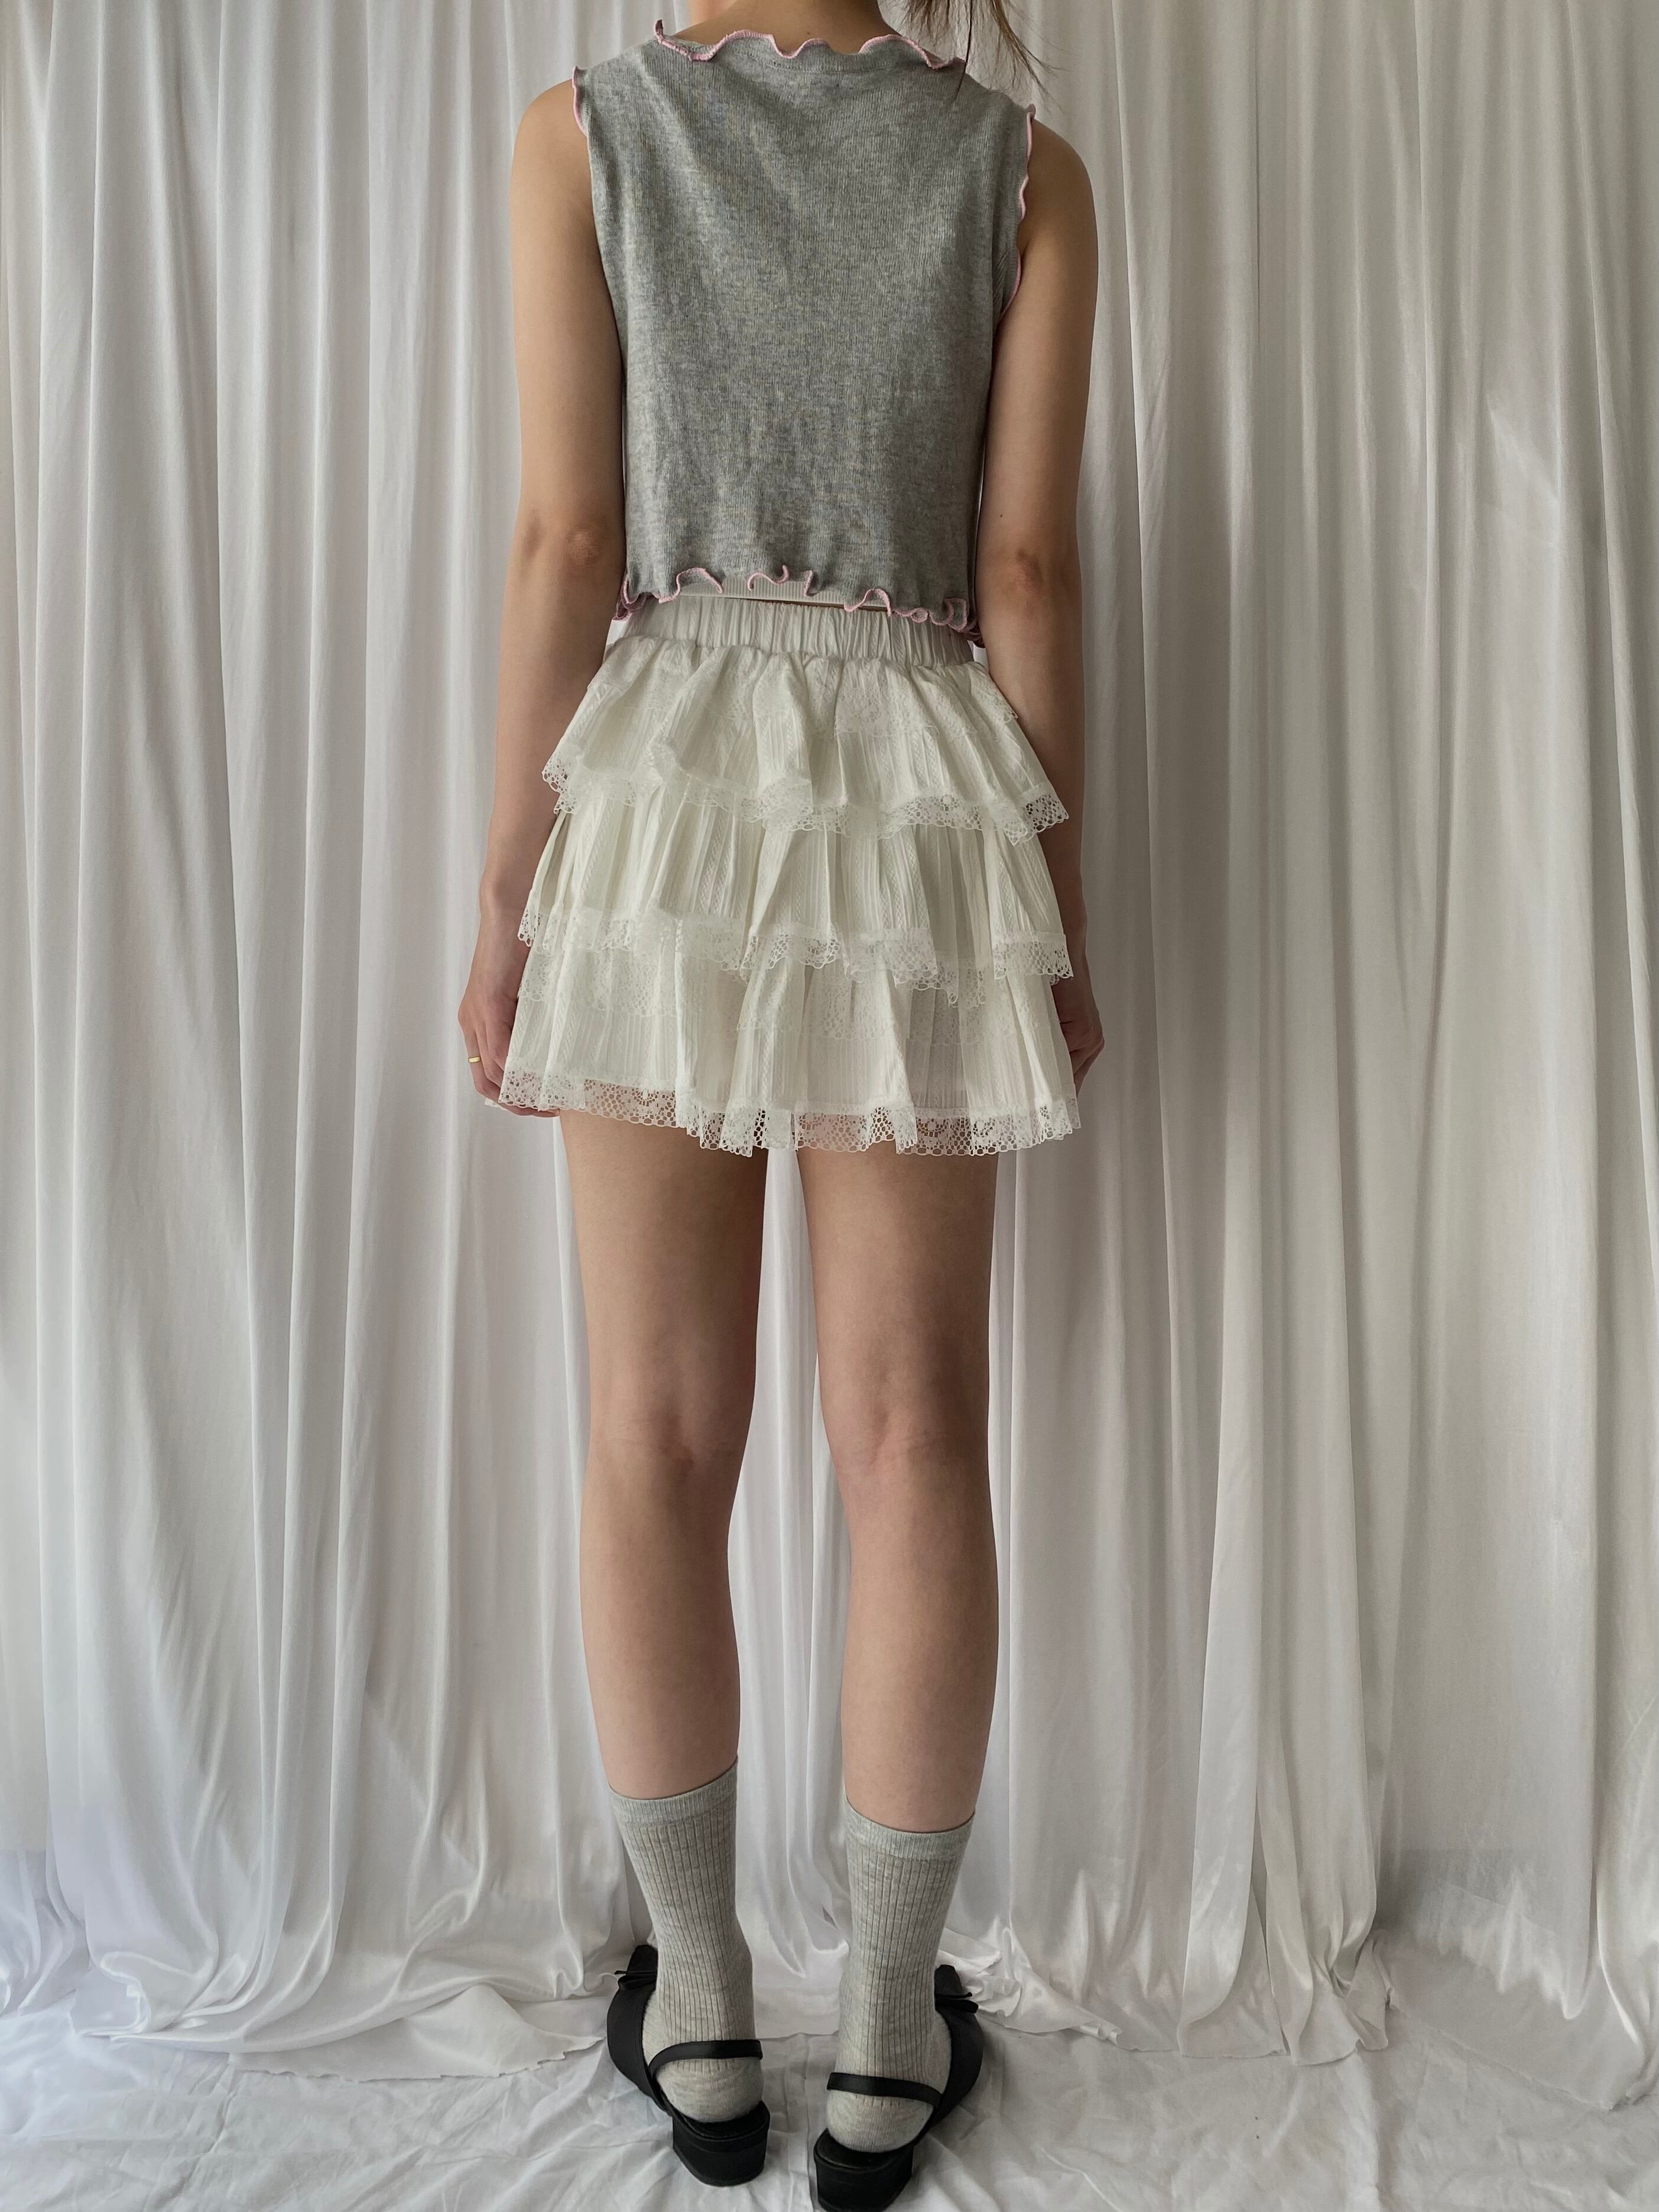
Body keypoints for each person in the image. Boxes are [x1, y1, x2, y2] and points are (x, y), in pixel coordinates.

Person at [457, 1, 1100, 2198]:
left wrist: (509, 894)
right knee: (913, 1433)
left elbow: (568, 540)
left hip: (662, 803)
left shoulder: (584, 135)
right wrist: (1056, 911)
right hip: (916, 802)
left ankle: (710, 2015)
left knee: (652, 1429)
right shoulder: (1020, 171)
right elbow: (1024, 573)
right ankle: (894, 2033)